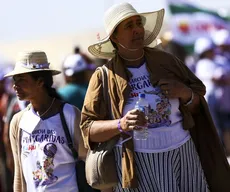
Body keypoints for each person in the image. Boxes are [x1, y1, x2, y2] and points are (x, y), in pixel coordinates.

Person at [80, 2, 230, 192]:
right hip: (138, 165)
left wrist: (184, 93)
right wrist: (121, 124)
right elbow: (88, 129)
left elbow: (196, 105)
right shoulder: (104, 76)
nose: (137, 30)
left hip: (183, 156)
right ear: (115, 37)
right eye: (128, 26)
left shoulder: (167, 61)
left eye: (138, 23)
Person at [5, 51, 87, 192]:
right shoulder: (18, 121)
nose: (15, 85)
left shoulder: (70, 114)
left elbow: (87, 160)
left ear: (40, 81)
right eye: (14, 80)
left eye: (21, 80)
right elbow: (19, 174)